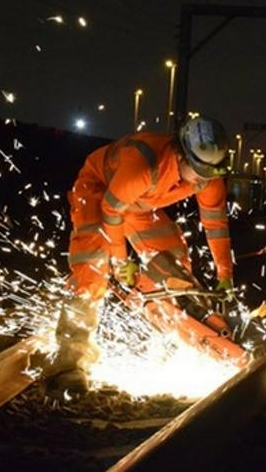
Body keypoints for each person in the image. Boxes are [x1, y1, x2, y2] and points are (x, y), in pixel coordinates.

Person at [45, 117, 234, 396]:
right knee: (92, 271)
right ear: (182, 153)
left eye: (209, 173)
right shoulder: (144, 165)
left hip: (139, 205)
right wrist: (122, 263)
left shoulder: (209, 177)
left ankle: (183, 342)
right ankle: (68, 366)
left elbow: (216, 225)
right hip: (98, 194)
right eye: (198, 171)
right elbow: (111, 211)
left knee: (174, 269)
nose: (203, 180)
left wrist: (225, 275)